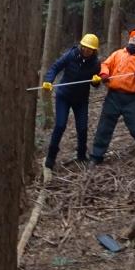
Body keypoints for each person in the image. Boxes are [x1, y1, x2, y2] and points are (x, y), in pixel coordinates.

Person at [89, 29, 135, 164]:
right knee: (104, 127)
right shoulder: (118, 54)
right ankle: (96, 156)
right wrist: (104, 74)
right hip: (113, 96)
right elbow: (105, 64)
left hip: (130, 99)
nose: (133, 38)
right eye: (132, 37)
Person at [41, 34, 103, 170]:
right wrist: (48, 81)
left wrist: (96, 81)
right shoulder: (71, 55)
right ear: (81, 46)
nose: (86, 50)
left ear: (94, 50)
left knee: (82, 128)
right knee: (60, 125)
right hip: (64, 96)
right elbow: (55, 67)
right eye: (85, 47)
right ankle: (50, 158)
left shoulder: (95, 64)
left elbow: (95, 84)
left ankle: (81, 156)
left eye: (90, 49)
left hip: (81, 100)